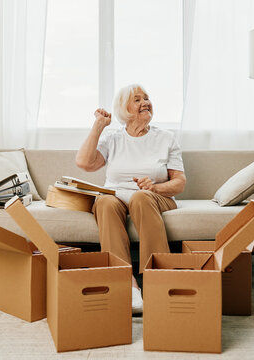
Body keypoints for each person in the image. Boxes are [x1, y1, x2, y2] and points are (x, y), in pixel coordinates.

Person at [76, 84, 186, 314]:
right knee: (104, 202)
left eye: (146, 98)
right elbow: (85, 163)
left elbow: (179, 182)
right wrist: (98, 127)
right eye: (137, 100)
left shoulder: (166, 138)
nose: (145, 102)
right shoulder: (113, 138)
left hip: (154, 197)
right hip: (116, 196)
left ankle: (157, 279)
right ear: (124, 109)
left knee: (141, 198)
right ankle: (127, 284)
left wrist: (155, 188)